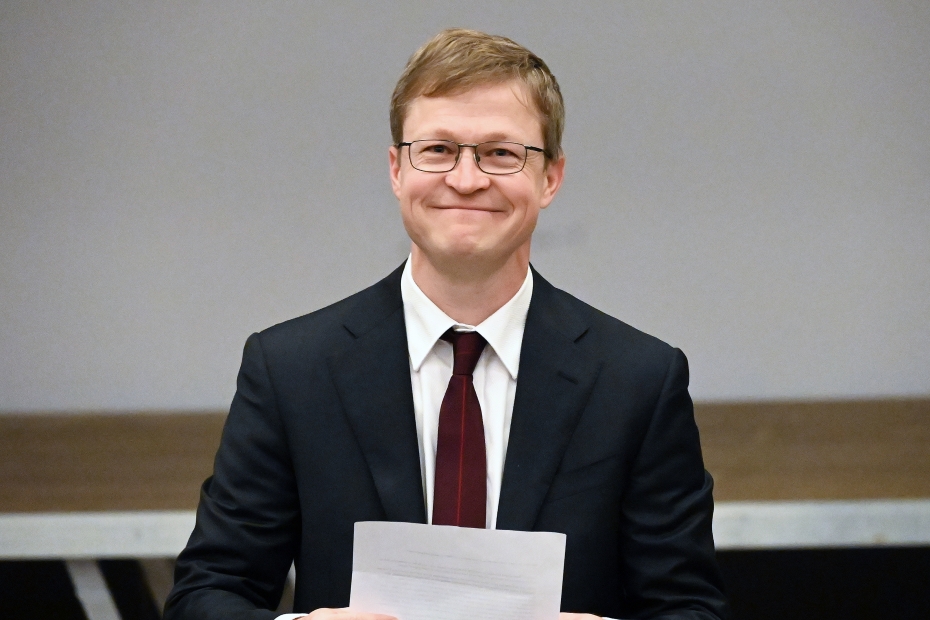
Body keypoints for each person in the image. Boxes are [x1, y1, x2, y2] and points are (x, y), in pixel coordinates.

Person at [165, 28, 729, 620]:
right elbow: (205, 594)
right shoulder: (291, 369)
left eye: (501, 153)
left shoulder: (637, 379)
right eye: (437, 150)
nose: (466, 179)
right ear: (396, 170)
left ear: (551, 178)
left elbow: (690, 607)